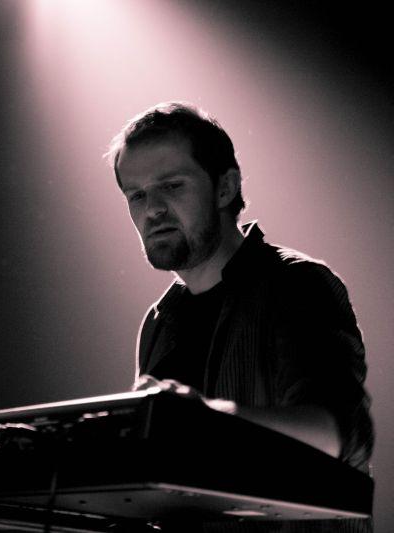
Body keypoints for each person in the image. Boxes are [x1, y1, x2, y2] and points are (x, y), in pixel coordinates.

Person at [106, 102, 373, 532]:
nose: (152, 209)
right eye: (136, 195)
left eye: (171, 186)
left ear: (225, 187)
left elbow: (339, 436)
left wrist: (206, 418)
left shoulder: (297, 284)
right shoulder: (158, 322)